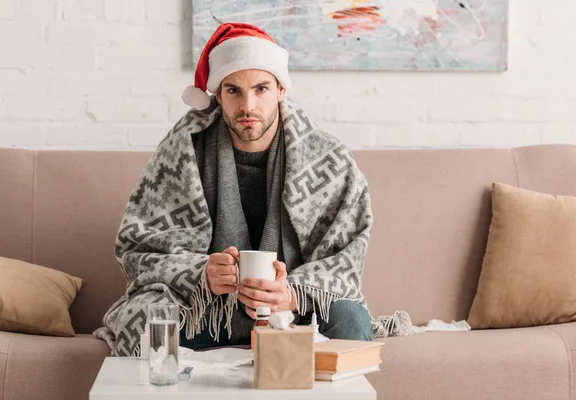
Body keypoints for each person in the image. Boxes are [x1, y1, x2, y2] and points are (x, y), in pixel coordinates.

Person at [94, 22, 411, 356]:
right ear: (217, 94)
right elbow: (137, 249)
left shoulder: (329, 159)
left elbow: (348, 254)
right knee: (145, 323)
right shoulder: (181, 153)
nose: (248, 106)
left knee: (350, 322)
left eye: (261, 89)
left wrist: (291, 293)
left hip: (296, 307)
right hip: (210, 307)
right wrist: (200, 273)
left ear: (281, 90)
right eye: (234, 91)